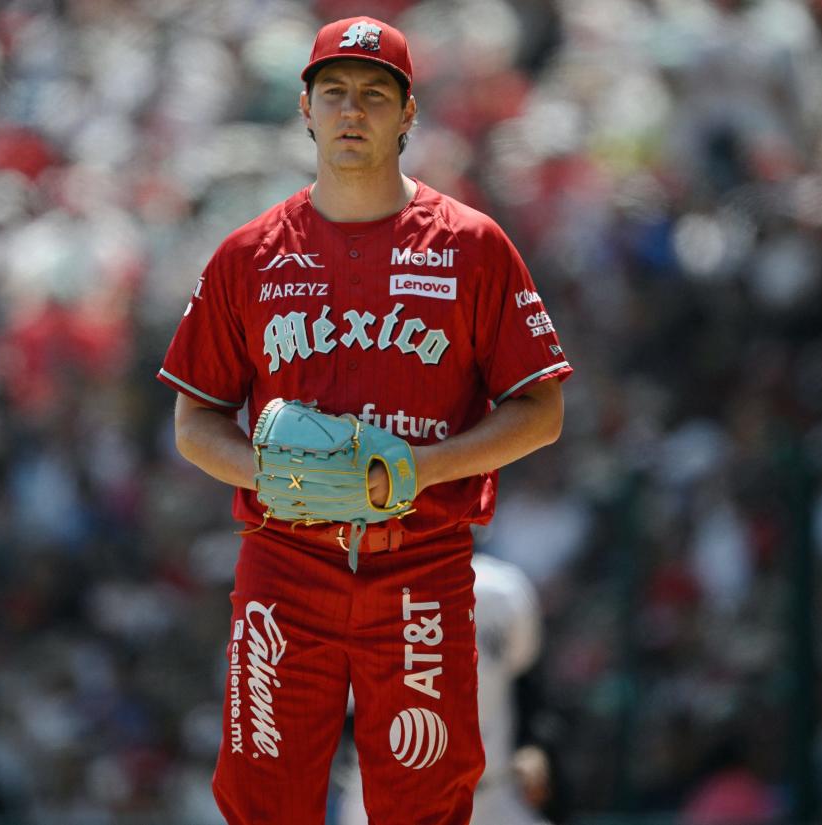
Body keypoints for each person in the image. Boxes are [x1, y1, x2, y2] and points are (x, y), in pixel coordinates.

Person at [156, 14, 571, 825]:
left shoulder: (472, 246)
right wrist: (272, 475)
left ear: (409, 112)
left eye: (376, 95)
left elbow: (542, 410)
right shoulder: (248, 254)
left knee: (424, 806)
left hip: (422, 558)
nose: (353, 111)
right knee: (262, 802)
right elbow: (194, 420)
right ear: (304, 108)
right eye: (335, 92)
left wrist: (422, 467)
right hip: (286, 564)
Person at [337, 552, 554, 825]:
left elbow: (523, 675)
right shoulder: (359, 594)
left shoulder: (502, 591)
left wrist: (531, 742)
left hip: (491, 795)